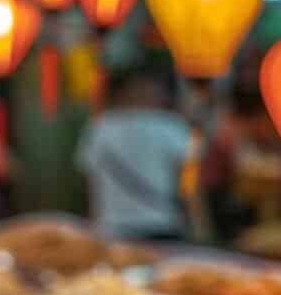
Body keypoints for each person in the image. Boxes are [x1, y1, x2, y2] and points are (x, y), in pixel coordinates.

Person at [75, 62, 193, 241]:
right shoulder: (171, 125)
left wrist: (92, 224)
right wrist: (195, 223)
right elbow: (188, 183)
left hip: (112, 228)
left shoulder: (100, 128)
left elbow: (88, 183)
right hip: (163, 224)